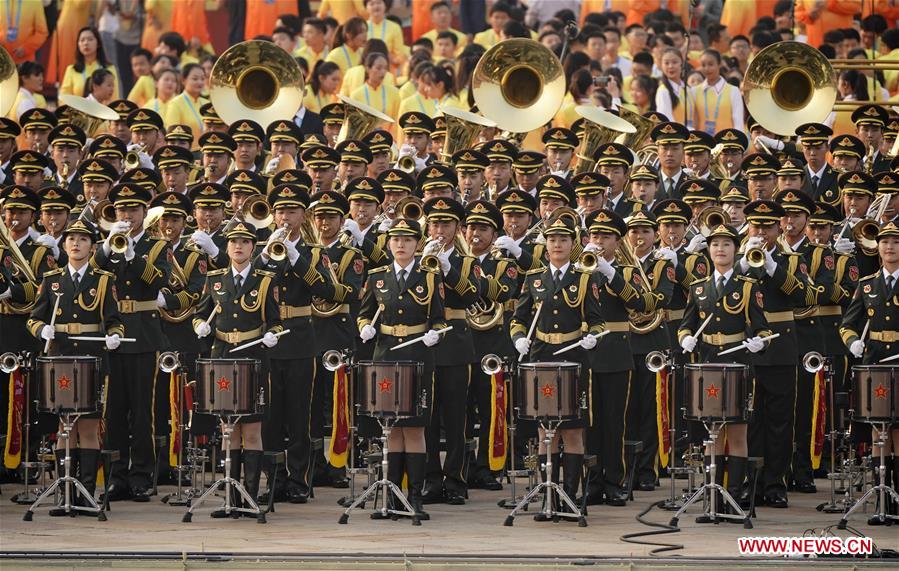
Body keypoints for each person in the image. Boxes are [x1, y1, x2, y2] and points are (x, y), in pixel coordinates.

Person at [26, 219, 124, 517]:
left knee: (89, 426)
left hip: (93, 357)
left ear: (92, 246)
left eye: (82, 239)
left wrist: (115, 334)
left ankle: (86, 492)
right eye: (71, 239)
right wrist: (42, 329)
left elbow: (114, 317)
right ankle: (64, 491)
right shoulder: (52, 277)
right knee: (64, 427)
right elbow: (33, 318)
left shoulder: (104, 279)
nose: (76, 244)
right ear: (64, 244)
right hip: (61, 357)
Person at [510, 214, 604, 513]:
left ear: (572, 244)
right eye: (552, 239)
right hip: (541, 358)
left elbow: (599, 322)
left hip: (574, 357)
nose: (558, 244)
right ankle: (548, 492)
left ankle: (570, 496)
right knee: (545, 431)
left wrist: (593, 336)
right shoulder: (533, 278)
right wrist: (519, 339)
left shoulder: (584, 277)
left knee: (573, 430)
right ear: (545, 245)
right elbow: (518, 319)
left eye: (564, 239)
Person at [678, 223, 771, 520]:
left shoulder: (747, 287)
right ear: (708, 250)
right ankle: (712, 497)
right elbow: (686, 325)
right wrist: (684, 338)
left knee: (738, 433)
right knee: (712, 435)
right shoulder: (698, 287)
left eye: (727, 244)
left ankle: (733, 495)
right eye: (715, 244)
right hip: (707, 365)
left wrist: (760, 342)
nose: (720, 249)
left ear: (736, 250)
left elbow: (763, 328)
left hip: (738, 364)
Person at [358, 217, 448, 520]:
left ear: (417, 244)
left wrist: (437, 332)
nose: (401, 244)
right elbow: (365, 313)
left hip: (419, 355)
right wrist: (364, 328)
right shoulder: (377, 276)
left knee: (415, 427)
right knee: (392, 427)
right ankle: (392, 494)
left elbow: (439, 318)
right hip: (386, 356)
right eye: (396, 239)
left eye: (408, 240)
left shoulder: (430, 277)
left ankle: (415, 497)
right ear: (388, 243)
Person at [193, 221, 283, 516]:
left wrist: (273, 334)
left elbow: (276, 320)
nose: (239, 247)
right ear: (227, 247)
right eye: (234, 242)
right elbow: (201, 312)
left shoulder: (265, 280)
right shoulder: (216, 278)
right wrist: (200, 326)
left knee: (253, 429)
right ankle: (231, 497)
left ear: (253, 247)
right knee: (228, 428)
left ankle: (251, 495)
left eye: (245, 242)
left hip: (254, 355)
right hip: (222, 355)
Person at [93, 183, 171, 503]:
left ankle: (141, 476)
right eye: (122, 210)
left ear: (144, 213)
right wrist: (112, 244)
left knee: (142, 412)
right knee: (112, 410)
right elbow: (93, 269)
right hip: (112, 334)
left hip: (142, 333)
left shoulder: (156, 245)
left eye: (133, 210)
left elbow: (158, 282)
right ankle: (116, 477)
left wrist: (131, 254)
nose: (127, 215)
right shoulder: (107, 244)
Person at [60, 27, 120, 100]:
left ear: (98, 44)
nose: (86, 43)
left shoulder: (109, 68)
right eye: (82, 40)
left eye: (90, 39)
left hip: (102, 110)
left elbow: (114, 97)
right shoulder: (72, 70)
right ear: (78, 45)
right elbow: (64, 98)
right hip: (77, 110)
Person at [164, 63, 207, 148]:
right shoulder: (175, 104)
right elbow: (172, 137)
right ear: (183, 80)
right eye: (195, 79)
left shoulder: (206, 103)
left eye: (202, 79)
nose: (200, 82)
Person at [350, 53, 401, 121]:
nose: (383, 72)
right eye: (378, 68)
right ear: (368, 69)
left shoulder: (394, 92)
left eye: (385, 68)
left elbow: (396, 120)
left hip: (388, 131)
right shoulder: (356, 95)